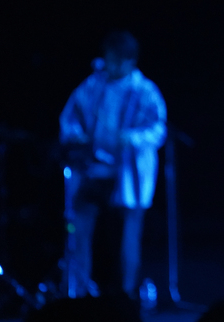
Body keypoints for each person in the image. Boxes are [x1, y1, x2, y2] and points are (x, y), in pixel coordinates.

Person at [60, 30, 166, 298]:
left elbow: (158, 130)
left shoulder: (144, 91)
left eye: (115, 59)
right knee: (80, 225)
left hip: (127, 175)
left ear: (129, 61)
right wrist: (77, 137)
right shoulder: (93, 85)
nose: (108, 64)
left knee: (128, 237)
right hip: (94, 171)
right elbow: (69, 117)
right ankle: (80, 290)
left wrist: (130, 138)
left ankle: (126, 295)